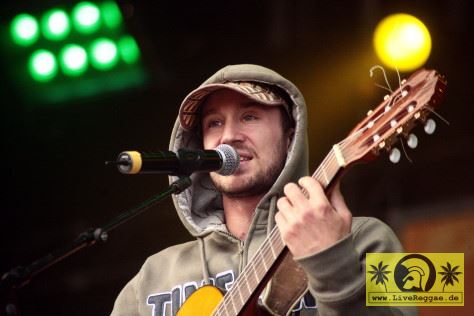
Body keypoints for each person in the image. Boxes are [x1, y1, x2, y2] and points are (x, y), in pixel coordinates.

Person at [111, 64, 417, 315]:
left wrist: (332, 263)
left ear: (289, 137)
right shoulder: (152, 278)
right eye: (214, 123)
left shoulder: (368, 238)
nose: (229, 135)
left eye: (249, 117)